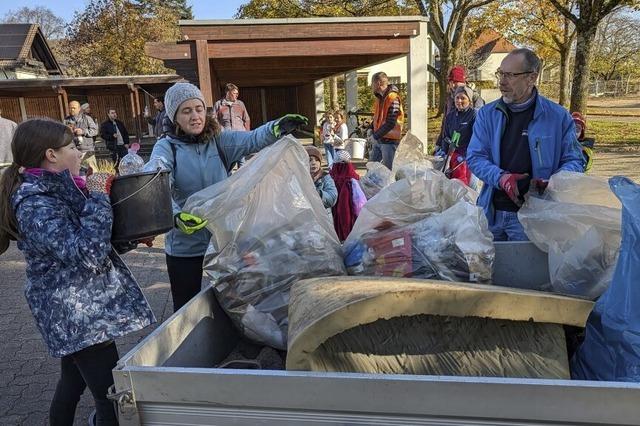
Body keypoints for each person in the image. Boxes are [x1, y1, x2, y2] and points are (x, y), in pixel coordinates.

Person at [0, 118, 155, 425]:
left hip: (84, 309)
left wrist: (129, 239)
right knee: (110, 395)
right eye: (71, 146)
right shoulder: (35, 204)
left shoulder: (63, 191)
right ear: (51, 155)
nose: (80, 151)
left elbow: (93, 241)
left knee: (72, 383)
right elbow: (86, 253)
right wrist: (98, 197)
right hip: (74, 311)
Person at [148, 82, 308, 311]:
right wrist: (175, 216)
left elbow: (252, 139)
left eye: (199, 108)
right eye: (186, 111)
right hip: (185, 244)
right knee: (186, 308)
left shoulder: (218, 140)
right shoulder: (166, 148)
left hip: (222, 240)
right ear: (175, 117)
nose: (195, 116)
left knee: (233, 301)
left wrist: (276, 127)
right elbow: (156, 180)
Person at [466, 48, 584, 241]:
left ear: (532, 78)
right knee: (489, 270)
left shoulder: (558, 116)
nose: (502, 81)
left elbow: (574, 160)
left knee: (526, 270)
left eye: (510, 75)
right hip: (492, 213)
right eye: (500, 73)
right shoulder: (487, 114)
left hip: (536, 217)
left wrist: (554, 182)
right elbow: (475, 157)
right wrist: (502, 178)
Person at [435, 86, 477, 186]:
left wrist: (468, 155)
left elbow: (477, 138)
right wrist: (444, 154)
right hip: (453, 158)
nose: (459, 101)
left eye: (463, 98)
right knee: (454, 186)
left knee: (470, 188)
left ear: (469, 100)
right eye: (457, 98)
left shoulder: (474, 115)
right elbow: (445, 136)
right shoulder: (451, 116)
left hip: (469, 159)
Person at [368, 71, 404, 170]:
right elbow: (378, 118)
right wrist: (370, 128)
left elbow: (391, 123)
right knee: (371, 169)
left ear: (378, 83)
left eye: (372, 83)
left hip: (389, 141)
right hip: (380, 139)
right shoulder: (380, 98)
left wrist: (375, 135)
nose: (371, 86)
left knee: (388, 171)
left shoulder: (393, 98)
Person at [330, 150, 366, 241]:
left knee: (338, 216)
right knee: (347, 216)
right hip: (350, 208)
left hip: (337, 204)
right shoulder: (352, 178)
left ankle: (341, 235)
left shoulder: (332, 177)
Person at [213, 83, 251, 167]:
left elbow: (246, 119)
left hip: (240, 137)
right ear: (227, 92)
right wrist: (221, 131)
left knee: (242, 162)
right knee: (228, 163)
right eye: (234, 93)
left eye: (237, 93)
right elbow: (213, 120)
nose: (237, 95)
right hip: (227, 138)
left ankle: (243, 179)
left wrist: (247, 133)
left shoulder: (240, 104)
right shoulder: (219, 104)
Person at [64, 101, 99, 170]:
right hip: (73, 151)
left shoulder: (87, 118)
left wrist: (83, 131)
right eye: (70, 108)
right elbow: (63, 135)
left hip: (87, 151)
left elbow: (95, 131)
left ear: (79, 108)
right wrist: (68, 132)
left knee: (92, 172)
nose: (72, 110)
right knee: (78, 175)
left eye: (74, 108)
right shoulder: (66, 120)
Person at [305, 145, 337, 210]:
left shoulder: (325, 177)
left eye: (317, 160)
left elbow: (332, 198)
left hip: (323, 216)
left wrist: (318, 193)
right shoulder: (300, 177)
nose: (314, 163)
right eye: (310, 160)